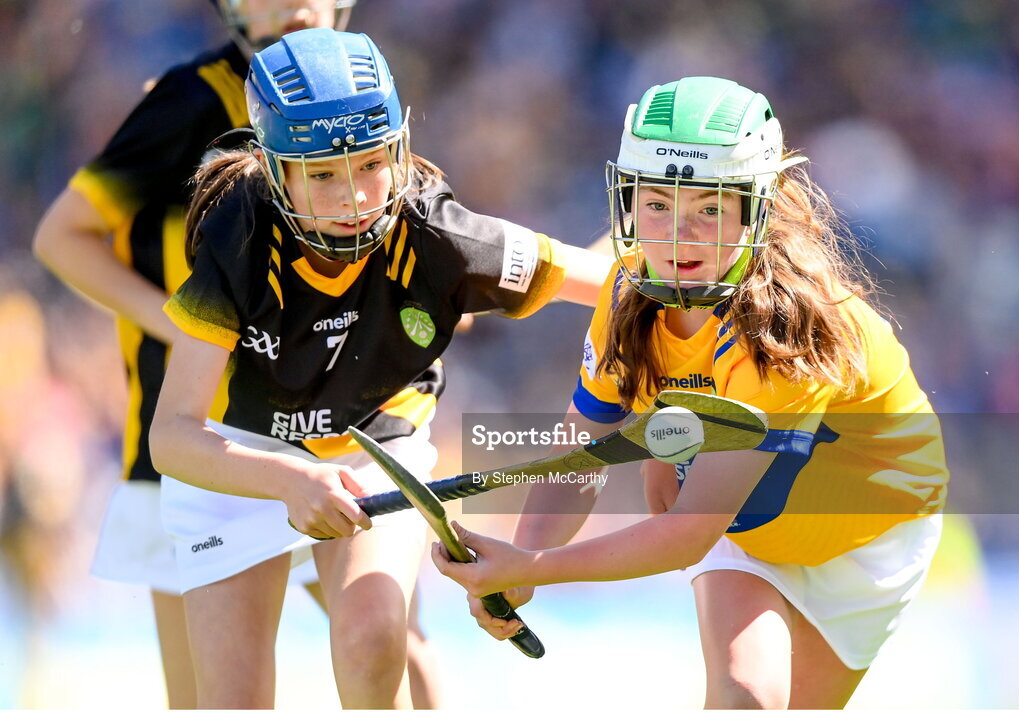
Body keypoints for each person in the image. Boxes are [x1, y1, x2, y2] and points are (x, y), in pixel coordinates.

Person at [432, 76, 948, 710]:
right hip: (742, 516)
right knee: (745, 696)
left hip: (872, 536)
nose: (679, 237)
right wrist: (525, 556)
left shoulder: (782, 330)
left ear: (757, 210)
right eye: (657, 206)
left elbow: (686, 534)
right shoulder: (627, 294)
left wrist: (529, 568)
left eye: (709, 209)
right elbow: (579, 459)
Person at [149, 28, 609, 709]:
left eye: (370, 163)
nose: (355, 196)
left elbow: (603, 278)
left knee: (373, 640)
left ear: (399, 147)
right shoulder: (238, 232)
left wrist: (725, 281)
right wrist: (287, 478)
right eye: (323, 174)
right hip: (240, 457)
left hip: (375, 445)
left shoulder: (436, 231)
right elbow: (173, 436)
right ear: (276, 170)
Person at [31, 2, 369, 708]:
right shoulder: (191, 100)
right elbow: (61, 236)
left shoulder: (361, 90)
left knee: (391, 654)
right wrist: (187, 328)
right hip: (196, 452)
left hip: (323, 436)